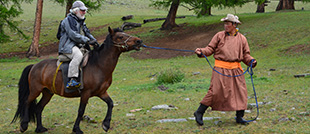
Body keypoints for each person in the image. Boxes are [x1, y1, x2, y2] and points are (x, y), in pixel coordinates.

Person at [194, 14, 257, 125]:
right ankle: (199, 112)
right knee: (215, 92)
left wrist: (251, 61)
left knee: (240, 92)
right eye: (225, 23)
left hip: (236, 70)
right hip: (220, 69)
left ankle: (239, 117)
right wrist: (201, 51)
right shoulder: (219, 36)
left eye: (228, 23)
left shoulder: (242, 38)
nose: (225, 25)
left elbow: (245, 55)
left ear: (234, 25)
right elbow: (210, 49)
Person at [58, 1, 97, 89]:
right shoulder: (68, 20)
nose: (84, 12)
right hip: (67, 47)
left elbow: (87, 33)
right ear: (76, 11)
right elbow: (73, 35)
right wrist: (87, 40)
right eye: (82, 10)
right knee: (78, 55)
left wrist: (94, 40)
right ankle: (72, 79)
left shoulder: (81, 21)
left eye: (85, 10)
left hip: (77, 46)